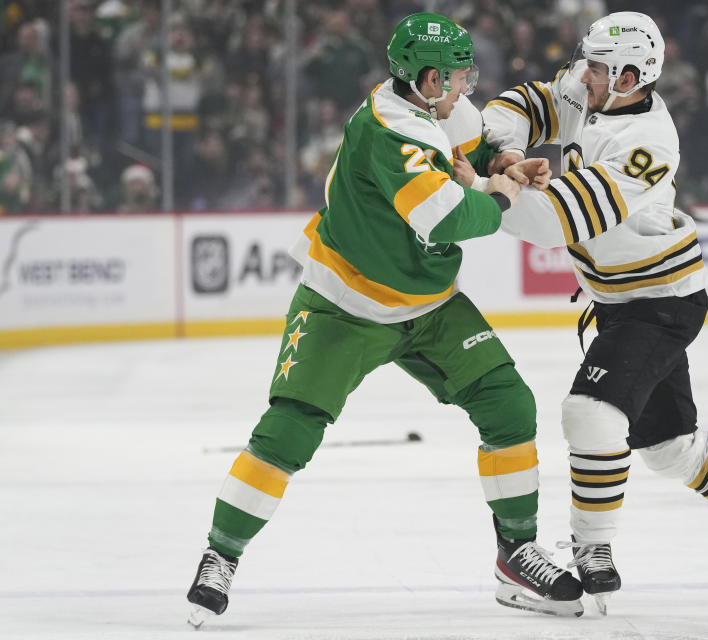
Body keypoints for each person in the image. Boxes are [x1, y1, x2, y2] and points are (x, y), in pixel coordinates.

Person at [185, 13, 584, 627]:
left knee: (509, 406)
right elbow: (449, 218)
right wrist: (503, 194)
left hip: (428, 304)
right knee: (290, 429)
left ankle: (516, 552)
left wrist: (508, 158)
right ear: (426, 80)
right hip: (344, 305)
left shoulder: (439, 108)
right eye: (456, 77)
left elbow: (472, 146)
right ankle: (221, 554)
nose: (465, 87)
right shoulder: (389, 132)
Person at [464, 11, 708, 613]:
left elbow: (555, 221)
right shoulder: (597, 85)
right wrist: (505, 150)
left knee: (590, 414)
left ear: (630, 75)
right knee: (668, 445)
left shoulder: (647, 146)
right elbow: (531, 102)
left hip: (657, 302)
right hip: (622, 299)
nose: (581, 74)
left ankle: (592, 552)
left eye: (595, 67)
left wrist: (484, 189)